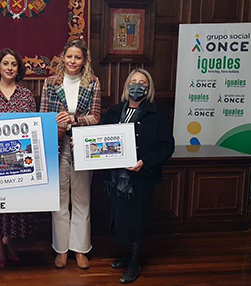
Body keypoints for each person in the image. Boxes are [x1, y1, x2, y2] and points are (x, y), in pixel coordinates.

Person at [103, 68, 175, 284]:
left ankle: (135, 264)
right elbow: (100, 139)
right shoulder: (115, 111)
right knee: (122, 218)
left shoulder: (157, 113)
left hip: (141, 177)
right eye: (133, 82)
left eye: (142, 82)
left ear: (148, 88)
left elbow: (166, 146)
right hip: (116, 177)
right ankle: (126, 256)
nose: (137, 86)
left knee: (137, 219)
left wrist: (144, 163)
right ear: (126, 87)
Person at [39, 39, 101, 269]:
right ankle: (61, 249)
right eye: (69, 57)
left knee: (82, 199)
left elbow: (95, 116)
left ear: (84, 61)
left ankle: (80, 249)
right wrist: (56, 122)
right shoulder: (50, 82)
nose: (73, 61)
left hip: (82, 146)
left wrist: (74, 119)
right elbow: (43, 115)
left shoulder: (93, 82)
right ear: (63, 58)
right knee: (59, 200)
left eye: (78, 57)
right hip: (56, 145)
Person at [0, 48, 36, 268]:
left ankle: (9, 241)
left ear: (18, 68)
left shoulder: (26, 95)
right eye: (6, 64)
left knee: (15, 204)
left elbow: (33, 128)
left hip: (19, 161)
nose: (10, 68)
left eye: (14, 64)